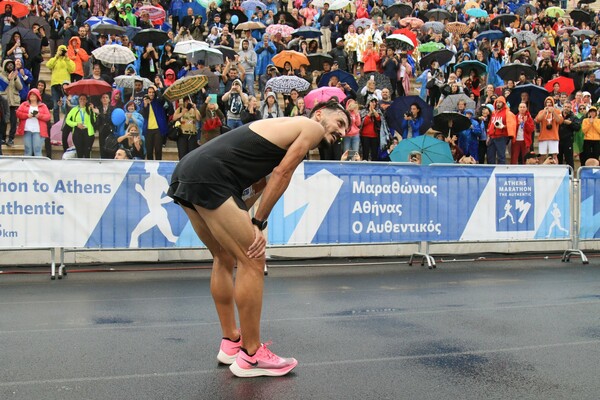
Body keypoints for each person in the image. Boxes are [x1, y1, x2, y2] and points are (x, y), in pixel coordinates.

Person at [167, 99, 350, 377]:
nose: (343, 132)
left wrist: (246, 216)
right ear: (320, 113)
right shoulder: (310, 127)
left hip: (187, 170)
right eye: (340, 123)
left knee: (224, 255)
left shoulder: (281, 133)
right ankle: (251, 355)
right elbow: (282, 173)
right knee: (253, 258)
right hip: (211, 176)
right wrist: (257, 222)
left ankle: (231, 343)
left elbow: (258, 186)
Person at [15, 88, 51, 157]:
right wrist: (27, 115)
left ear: (37, 96)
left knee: (37, 149)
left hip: (38, 131)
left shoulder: (43, 106)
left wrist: (39, 116)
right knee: (27, 149)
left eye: (34, 94)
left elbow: (48, 117)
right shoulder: (24, 104)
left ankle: (38, 166)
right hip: (27, 130)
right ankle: (27, 166)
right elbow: (18, 113)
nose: (32, 96)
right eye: (31, 94)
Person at [64, 94, 97, 158]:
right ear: (78, 100)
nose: (82, 100)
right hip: (77, 132)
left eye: (84, 99)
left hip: (88, 132)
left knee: (87, 152)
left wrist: (93, 109)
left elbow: (94, 120)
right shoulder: (74, 109)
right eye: (81, 99)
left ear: (87, 100)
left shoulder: (89, 109)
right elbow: (67, 120)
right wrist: (76, 124)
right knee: (79, 152)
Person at [0, 59, 23, 147]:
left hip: (13, 103)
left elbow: (20, 87)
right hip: (4, 103)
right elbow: (1, 87)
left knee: (13, 122)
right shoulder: (1, 76)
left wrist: (16, 78)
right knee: (3, 122)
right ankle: (2, 138)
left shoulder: (15, 76)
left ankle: (11, 139)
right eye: (9, 65)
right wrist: (8, 79)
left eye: (12, 65)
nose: (11, 66)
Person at [535, 97, 564, 164]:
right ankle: (542, 170)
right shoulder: (541, 111)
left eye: (550, 102)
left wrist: (553, 112)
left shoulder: (557, 111)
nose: (549, 104)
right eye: (547, 102)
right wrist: (544, 112)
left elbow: (560, 121)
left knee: (554, 155)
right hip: (543, 137)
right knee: (542, 155)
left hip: (553, 136)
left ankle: (555, 170)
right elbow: (537, 120)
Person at [487, 96, 515, 164]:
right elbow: (490, 124)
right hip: (492, 137)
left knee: (501, 157)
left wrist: (503, 126)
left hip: (501, 137)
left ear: (503, 103)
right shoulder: (494, 113)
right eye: (497, 102)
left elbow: (511, 125)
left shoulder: (507, 113)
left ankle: (500, 171)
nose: (498, 104)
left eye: (500, 102)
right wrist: (488, 136)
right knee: (490, 157)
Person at [558, 103, 581, 170]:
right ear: (563, 107)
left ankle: (571, 176)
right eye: (565, 106)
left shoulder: (573, 117)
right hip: (558, 140)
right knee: (559, 159)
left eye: (568, 107)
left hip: (568, 141)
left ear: (571, 108)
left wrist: (570, 123)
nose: (566, 108)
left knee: (569, 159)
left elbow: (578, 127)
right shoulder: (558, 115)